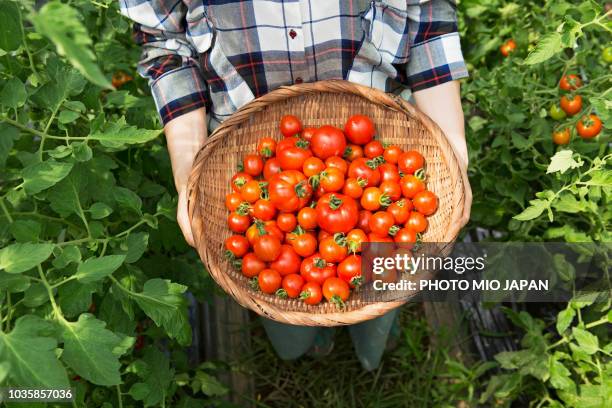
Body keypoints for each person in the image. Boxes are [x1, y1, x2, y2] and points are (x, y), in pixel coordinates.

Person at [120, 0, 472, 371]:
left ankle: (373, 344)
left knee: (383, 284)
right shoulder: (282, 213)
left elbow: (428, 18)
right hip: (247, 138)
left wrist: (453, 150)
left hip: (382, 133)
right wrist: (187, 168)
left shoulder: (339, 191)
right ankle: (303, 344)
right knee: (283, 311)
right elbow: (164, 42)